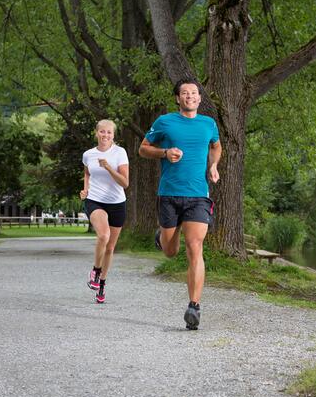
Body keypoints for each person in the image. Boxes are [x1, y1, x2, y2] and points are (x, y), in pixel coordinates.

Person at [139, 78, 222, 330]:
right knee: (171, 251)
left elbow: (216, 147)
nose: (190, 96)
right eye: (185, 93)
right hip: (169, 194)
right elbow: (143, 149)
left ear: (199, 98)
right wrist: (164, 153)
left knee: (195, 246)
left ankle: (194, 307)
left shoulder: (209, 123)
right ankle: (163, 237)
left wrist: (213, 164)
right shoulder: (164, 122)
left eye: (194, 93)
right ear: (178, 98)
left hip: (198, 194)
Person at [80, 119, 129, 304]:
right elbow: (87, 173)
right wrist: (86, 189)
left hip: (117, 202)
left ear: (113, 135)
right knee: (103, 236)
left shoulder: (120, 153)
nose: (105, 135)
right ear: (97, 133)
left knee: (110, 248)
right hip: (95, 200)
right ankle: (95, 269)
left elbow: (125, 183)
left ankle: (101, 283)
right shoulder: (88, 155)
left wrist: (109, 167)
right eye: (102, 132)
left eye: (109, 132)